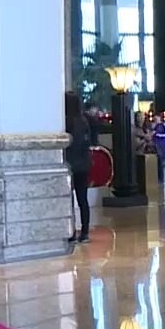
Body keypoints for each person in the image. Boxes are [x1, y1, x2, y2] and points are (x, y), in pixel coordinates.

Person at [64, 92, 94, 244]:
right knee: (83, 200)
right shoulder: (84, 121)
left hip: (70, 165)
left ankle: (71, 232)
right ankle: (85, 232)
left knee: (68, 200)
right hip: (84, 165)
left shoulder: (66, 122)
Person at [152, 113, 165, 184]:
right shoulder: (154, 126)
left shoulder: (163, 125)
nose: (155, 120)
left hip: (161, 146)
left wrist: (156, 134)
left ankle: (161, 179)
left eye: (156, 118)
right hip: (154, 146)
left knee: (160, 163)